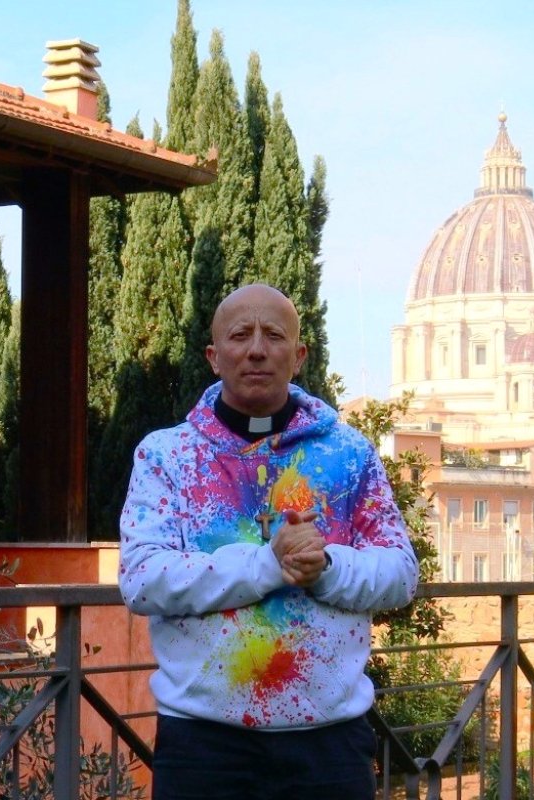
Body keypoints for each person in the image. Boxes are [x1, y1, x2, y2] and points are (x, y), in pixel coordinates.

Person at [118, 283, 419, 799]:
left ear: (298, 356)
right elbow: (142, 580)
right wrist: (265, 565)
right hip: (204, 748)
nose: (256, 349)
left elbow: (401, 574)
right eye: (240, 335)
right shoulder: (166, 455)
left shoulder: (350, 454)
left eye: (274, 336)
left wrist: (326, 568)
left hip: (328, 747)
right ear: (214, 357)